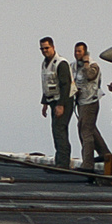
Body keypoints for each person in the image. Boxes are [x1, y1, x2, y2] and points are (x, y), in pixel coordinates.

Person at [72, 42, 110, 171]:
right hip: (81, 102)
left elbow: (89, 76)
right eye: (76, 51)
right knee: (90, 128)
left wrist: (86, 63)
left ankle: (88, 163)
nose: (77, 54)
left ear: (85, 52)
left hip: (90, 101)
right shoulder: (75, 66)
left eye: (80, 52)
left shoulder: (93, 66)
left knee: (86, 132)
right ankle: (105, 154)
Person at [40, 37, 73, 169]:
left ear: (53, 47)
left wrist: (61, 105)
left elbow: (66, 86)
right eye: (42, 49)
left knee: (59, 130)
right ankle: (59, 161)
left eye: (46, 48)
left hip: (63, 100)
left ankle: (63, 164)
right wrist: (44, 103)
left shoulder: (61, 63)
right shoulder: (45, 63)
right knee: (56, 130)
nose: (44, 51)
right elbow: (47, 84)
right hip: (52, 100)